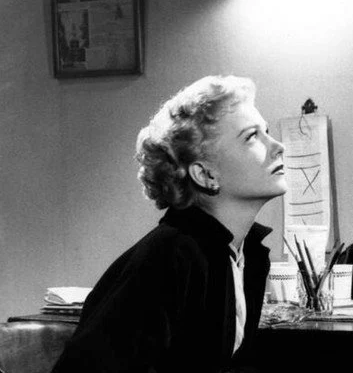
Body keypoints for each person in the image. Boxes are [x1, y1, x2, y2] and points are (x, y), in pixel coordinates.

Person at [52, 75, 287, 372]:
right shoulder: (170, 256)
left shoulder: (247, 254)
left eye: (266, 132)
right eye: (252, 137)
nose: (278, 146)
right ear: (205, 174)